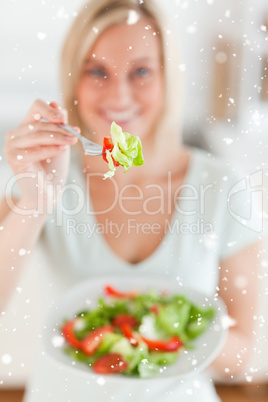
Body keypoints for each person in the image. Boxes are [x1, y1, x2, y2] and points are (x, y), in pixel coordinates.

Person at [0, 0, 262, 401]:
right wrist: (36, 201)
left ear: (167, 78)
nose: (119, 95)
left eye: (140, 71)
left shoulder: (224, 187)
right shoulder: (42, 177)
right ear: (74, 80)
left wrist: (154, 327)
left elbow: (240, 357)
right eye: (97, 71)